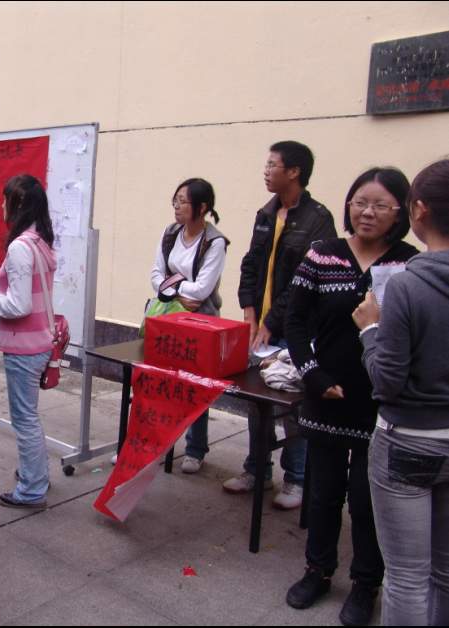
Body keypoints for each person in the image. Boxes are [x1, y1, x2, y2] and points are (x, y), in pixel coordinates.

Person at [285, 168, 418, 625]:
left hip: (379, 401)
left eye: (381, 205)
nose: (368, 212)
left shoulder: (409, 264)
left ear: (400, 212)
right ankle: (318, 571)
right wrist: (312, 375)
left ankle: (366, 584)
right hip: (325, 395)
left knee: (366, 500)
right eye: (360, 202)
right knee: (322, 494)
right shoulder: (322, 255)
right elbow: (295, 321)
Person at [353, 159, 449, 626]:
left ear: (419, 211)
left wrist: (370, 330)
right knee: (445, 573)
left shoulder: (409, 284)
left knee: (408, 578)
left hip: (408, 441)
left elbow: (387, 380)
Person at [226, 140, 336, 509]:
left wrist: (271, 322)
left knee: (292, 409)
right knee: (256, 405)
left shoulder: (318, 219)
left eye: (272, 164)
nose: (266, 170)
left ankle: (296, 478)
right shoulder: (266, 213)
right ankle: (256, 470)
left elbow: (305, 281)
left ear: (294, 171)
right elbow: (250, 263)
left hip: (295, 332)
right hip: (261, 329)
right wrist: (249, 312)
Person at [0, 174, 56, 508]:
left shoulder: (20, 247)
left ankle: (32, 488)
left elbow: (18, 306)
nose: (1, 205)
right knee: (29, 417)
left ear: (17, 204)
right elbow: (26, 293)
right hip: (39, 342)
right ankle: (36, 475)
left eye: (4, 199)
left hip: (24, 346)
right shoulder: (39, 241)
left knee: (24, 419)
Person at [149, 178, 228, 474]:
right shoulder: (170, 233)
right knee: (164, 383)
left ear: (202, 207)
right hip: (169, 316)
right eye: (176, 200)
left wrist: (172, 286)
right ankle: (158, 442)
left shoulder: (214, 242)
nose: (177, 206)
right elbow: (156, 274)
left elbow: (203, 289)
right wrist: (177, 291)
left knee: (197, 386)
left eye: (183, 201)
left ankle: (196, 448)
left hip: (201, 322)